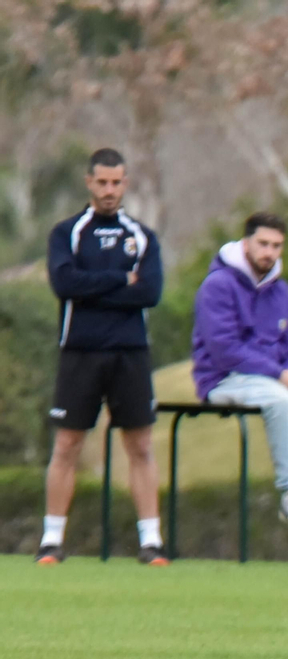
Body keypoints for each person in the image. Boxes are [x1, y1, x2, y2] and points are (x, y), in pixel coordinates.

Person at [38, 148, 166, 566]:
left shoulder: (142, 236)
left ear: (125, 184)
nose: (109, 190)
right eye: (102, 182)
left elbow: (150, 292)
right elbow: (65, 284)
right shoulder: (67, 233)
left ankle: (151, 542)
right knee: (68, 443)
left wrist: (94, 289)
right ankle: (51, 541)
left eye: (116, 183)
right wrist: (120, 279)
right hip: (80, 351)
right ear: (89, 182)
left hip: (130, 352)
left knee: (140, 444)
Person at [191, 213, 288, 533]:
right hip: (223, 379)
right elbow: (224, 349)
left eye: (277, 246)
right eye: (263, 244)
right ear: (246, 243)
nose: (269, 252)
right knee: (280, 399)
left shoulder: (281, 291)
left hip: (271, 378)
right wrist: (279, 375)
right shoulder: (217, 285)